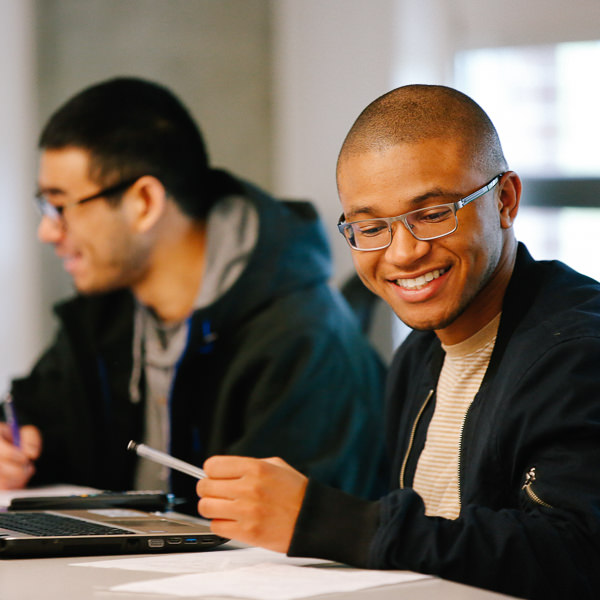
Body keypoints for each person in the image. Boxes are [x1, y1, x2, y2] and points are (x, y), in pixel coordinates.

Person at [195, 84, 600, 599]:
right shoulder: (418, 356)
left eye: (432, 215)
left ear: (505, 200)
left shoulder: (577, 351)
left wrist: (326, 520)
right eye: (370, 227)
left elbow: (575, 558)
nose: (403, 253)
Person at [0, 77, 388, 508]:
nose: (46, 231)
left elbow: (285, 538)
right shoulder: (101, 316)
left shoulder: (304, 338)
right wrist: (12, 449)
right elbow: (32, 420)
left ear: (144, 202)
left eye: (60, 206)